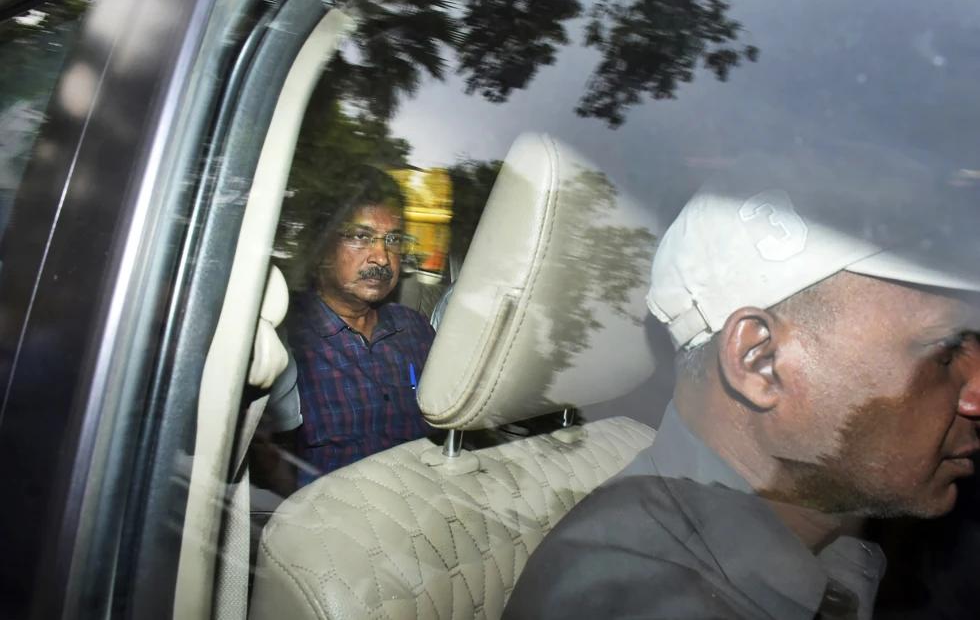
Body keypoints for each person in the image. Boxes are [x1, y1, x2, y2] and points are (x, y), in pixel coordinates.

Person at [504, 156, 980, 620]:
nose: (976, 391)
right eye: (945, 351)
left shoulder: (824, 528)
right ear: (761, 363)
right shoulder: (632, 601)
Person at [277, 167, 435, 486]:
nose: (381, 257)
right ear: (322, 246)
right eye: (360, 236)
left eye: (393, 239)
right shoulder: (284, 338)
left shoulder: (415, 331)